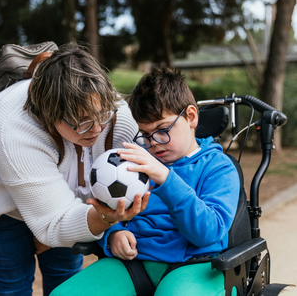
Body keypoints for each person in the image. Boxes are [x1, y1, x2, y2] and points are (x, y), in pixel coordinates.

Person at [50, 67, 240, 296]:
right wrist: (113, 234)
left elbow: (208, 233)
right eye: (145, 134)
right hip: (133, 263)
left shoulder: (218, 167)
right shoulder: (133, 161)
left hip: (195, 263)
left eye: (162, 130)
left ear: (191, 116)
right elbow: (112, 209)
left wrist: (167, 179)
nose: (154, 143)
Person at [0, 43, 149, 296]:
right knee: (12, 286)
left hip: (70, 202)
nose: (97, 129)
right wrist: (60, 228)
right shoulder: (14, 130)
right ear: (49, 116)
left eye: (102, 116)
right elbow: (53, 224)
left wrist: (65, 232)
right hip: (6, 208)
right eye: (82, 123)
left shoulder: (114, 111)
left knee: (66, 278)